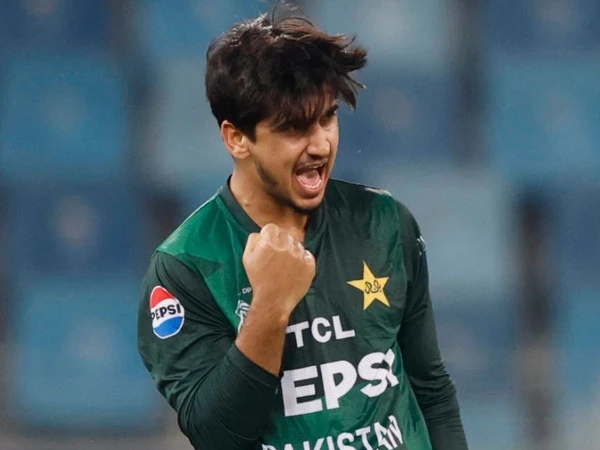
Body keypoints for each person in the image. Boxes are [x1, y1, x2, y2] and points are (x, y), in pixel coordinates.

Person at [137, 6, 469, 450]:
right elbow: (217, 435)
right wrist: (270, 306)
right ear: (237, 138)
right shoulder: (186, 266)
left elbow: (432, 391)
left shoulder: (385, 222)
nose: (320, 145)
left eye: (327, 118)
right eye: (294, 128)